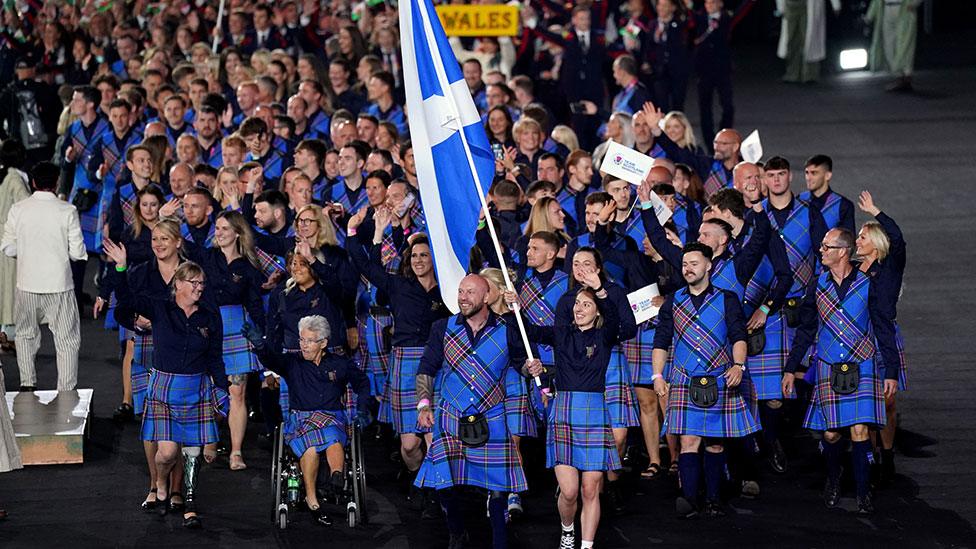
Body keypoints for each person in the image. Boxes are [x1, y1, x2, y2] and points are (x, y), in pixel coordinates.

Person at [515, 256, 633, 549]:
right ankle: (567, 528)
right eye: (577, 304)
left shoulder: (605, 336)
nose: (579, 309)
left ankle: (586, 545)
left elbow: (620, 321)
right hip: (564, 413)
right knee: (568, 492)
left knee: (591, 488)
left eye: (586, 305)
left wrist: (601, 289)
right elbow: (528, 330)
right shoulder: (561, 332)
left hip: (594, 413)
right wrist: (512, 307)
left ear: (598, 312)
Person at [782, 227, 900, 515]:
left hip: (863, 364)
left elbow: (883, 327)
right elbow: (806, 328)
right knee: (832, 434)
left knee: (859, 430)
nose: (821, 251)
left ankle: (863, 493)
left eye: (826, 247)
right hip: (828, 366)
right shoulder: (817, 285)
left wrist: (891, 371)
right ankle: (834, 479)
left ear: (843, 252)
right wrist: (790, 368)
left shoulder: (869, 283)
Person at [107, 250, 228, 529]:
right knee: (167, 453)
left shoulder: (209, 316)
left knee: (194, 453)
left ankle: (189, 503)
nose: (199, 288)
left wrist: (222, 391)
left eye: (201, 284)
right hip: (164, 389)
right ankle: (160, 481)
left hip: (196, 389)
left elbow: (215, 357)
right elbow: (125, 301)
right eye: (193, 283)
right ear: (179, 284)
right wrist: (122, 268)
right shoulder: (160, 307)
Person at [415, 275, 529, 549]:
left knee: (498, 489)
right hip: (451, 415)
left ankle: (499, 542)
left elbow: (522, 364)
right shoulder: (443, 327)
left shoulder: (507, 329)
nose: (463, 297)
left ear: (487, 297)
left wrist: (531, 368)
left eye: (470, 292)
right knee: (443, 482)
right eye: (460, 291)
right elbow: (427, 369)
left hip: (491, 416)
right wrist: (424, 404)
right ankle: (456, 531)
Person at [346, 210, 449, 516]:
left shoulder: (448, 291)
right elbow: (366, 265)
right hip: (404, 364)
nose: (418, 260)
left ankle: (434, 493)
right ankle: (419, 477)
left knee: (434, 438)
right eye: (414, 255)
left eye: (424, 255)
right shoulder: (398, 285)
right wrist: (370, 233)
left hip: (437, 364)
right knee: (408, 446)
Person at [652, 241, 758, 518]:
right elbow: (662, 340)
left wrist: (739, 365)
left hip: (719, 377)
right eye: (685, 264)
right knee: (689, 441)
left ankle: (713, 499)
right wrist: (657, 375)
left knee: (715, 443)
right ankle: (688, 499)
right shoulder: (674, 300)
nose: (688, 269)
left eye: (694, 263)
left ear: (709, 265)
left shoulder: (727, 298)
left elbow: (738, 335)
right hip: (685, 378)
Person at [246, 314, 371, 526]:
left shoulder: (340, 364)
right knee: (310, 447)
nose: (303, 345)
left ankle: (337, 477)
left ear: (323, 343)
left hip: (333, 417)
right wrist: (260, 345)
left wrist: (362, 410)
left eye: (309, 341)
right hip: (301, 419)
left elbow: (363, 383)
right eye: (301, 340)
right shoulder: (292, 363)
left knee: (333, 436)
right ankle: (312, 501)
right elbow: (271, 359)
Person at [1, 162, 85, 392]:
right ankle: (66, 390)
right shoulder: (67, 210)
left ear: (34, 182)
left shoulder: (19, 209)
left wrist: (28, 250)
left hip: (27, 283)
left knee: (25, 336)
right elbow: (78, 253)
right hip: (59, 284)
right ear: (57, 181)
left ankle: (27, 383)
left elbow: (8, 248)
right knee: (67, 341)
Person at [855, 191, 907, 486]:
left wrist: (876, 211)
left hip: (883, 339)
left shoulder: (889, 268)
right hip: (857, 341)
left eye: (863, 237)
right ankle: (871, 455)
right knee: (865, 404)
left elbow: (898, 239)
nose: (857, 241)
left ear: (875, 242)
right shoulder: (849, 269)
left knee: (886, 403)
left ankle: (887, 454)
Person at [0, 140, 30, 350]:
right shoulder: (14, 178)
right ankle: (8, 333)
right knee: (10, 286)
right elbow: (26, 204)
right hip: (9, 237)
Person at [777, 0, 840, 84]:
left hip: (808, 5)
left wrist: (836, 4)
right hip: (790, 5)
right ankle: (792, 73)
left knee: (808, 40)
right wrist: (780, 6)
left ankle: (810, 74)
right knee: (792, 39)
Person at [866, 0, 922, 92]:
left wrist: (914, 3)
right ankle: (899, 76)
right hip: (887, 8)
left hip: (904, 9)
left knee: (905, 44)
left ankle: (907, 75)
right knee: (889, 45)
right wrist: (870, 15)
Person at [799, 154, 855, 233]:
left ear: (827, 176)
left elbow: (847, 241)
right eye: (807, 173)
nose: (808, 178)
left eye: (814, 173)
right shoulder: (798, 201)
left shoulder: (843, 206)